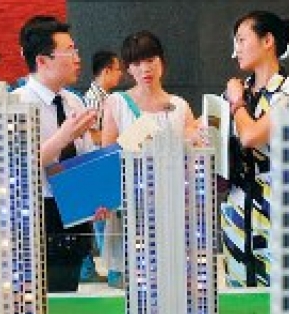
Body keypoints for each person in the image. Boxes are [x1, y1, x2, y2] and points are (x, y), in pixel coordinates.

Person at [101, 30, 198, 287]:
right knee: (137, 285)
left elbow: (194, 158)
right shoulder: (117, 103)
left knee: (174, 281)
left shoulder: (180, 106)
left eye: (150, 60)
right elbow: (108, 157)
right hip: (133, 207)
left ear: (161, 62)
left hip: (174, 206)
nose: (145, 68)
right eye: (136, 63)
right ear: (128, 68)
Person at [222, 10, 289, 287]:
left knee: (279, 299)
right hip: (237, 219)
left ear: (267, 40)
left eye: (241, 40)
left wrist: (236, 103)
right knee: (239, 306)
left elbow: (251, 136)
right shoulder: (238, 93)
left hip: (278, 215)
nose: (236, 50)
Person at [14, 16, 98, 292]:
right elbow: (17, 166)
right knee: (38, 301)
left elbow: (84, 158)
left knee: (67, 297)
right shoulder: (18, 104)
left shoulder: (73, 101)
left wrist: (96, 197)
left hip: (75, 213)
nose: (77, 59)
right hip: (39, 214)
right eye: (69, 51)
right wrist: (63, 137)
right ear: (42, 60)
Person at [82, 50, 123, 283]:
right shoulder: (94, 99)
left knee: (104, 220)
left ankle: (109, 269)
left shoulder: (105, 97)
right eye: (117, 69)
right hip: (97, 166)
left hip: (101, 165)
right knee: (103, 221)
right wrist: (116, 136)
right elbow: (91, 135)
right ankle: (113, 270)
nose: (120, 74)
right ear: (106, 70)